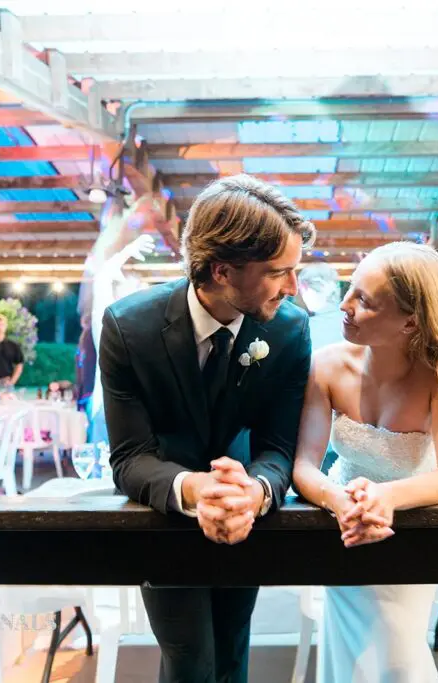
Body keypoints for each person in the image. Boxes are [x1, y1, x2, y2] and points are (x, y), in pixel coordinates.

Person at [98, 174, 315, 683]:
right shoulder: (129, 328)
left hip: (244, 515)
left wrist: (254, 492)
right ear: (222, 271)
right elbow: (129, 458)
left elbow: (279, 447)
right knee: (190, 661)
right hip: (165, 516)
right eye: (279, 272)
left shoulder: (288, 329)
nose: (293, 288)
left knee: (233, 653)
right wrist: (195, 489)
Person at [292, 242, 438, 683]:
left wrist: (386, 497)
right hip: (342, 530)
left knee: (398, 662)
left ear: (410, 321)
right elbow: (303, 465)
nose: (345, 305)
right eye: (350, 289)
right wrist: (339, 501)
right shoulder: (326, 366)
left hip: (410, 532)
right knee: (349, 662)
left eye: (364, 300)